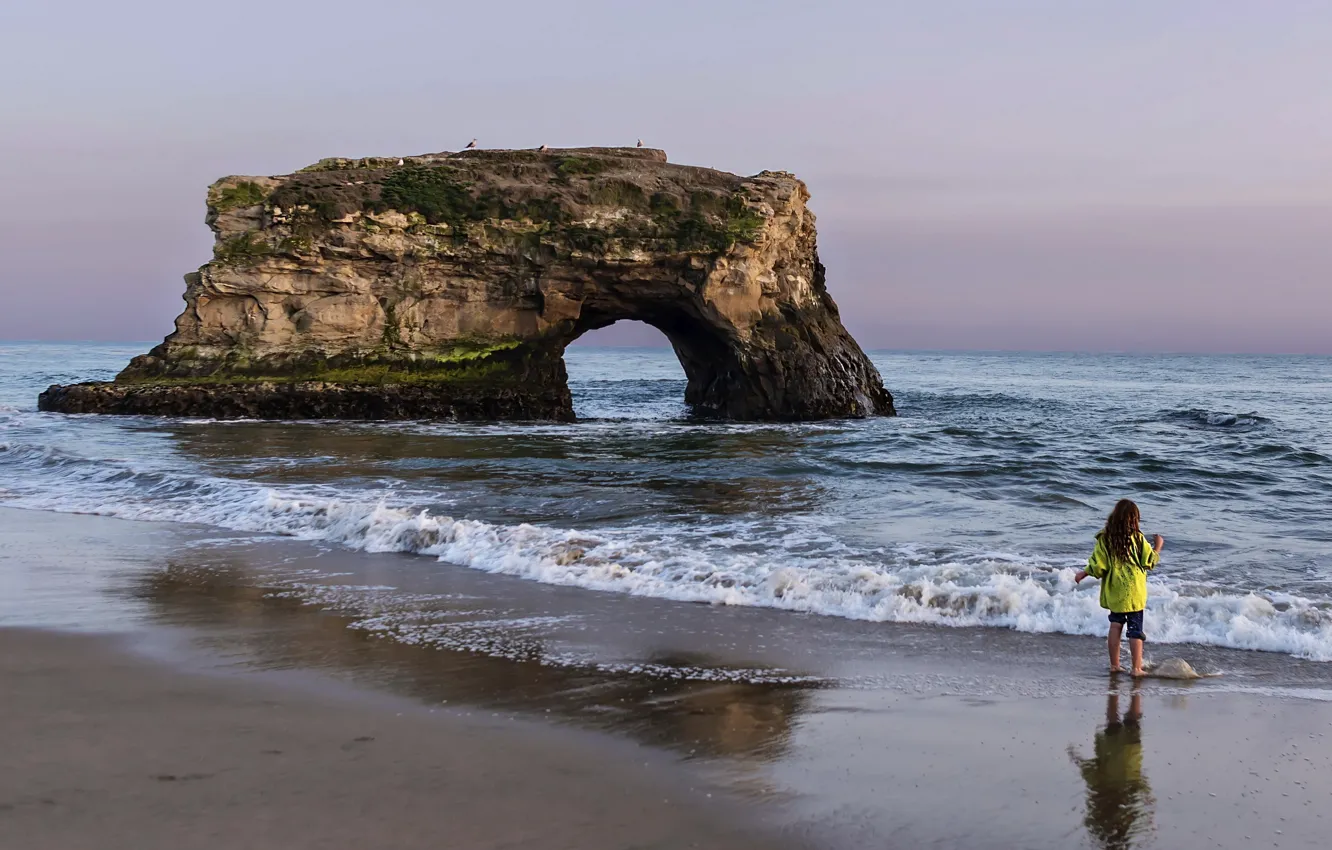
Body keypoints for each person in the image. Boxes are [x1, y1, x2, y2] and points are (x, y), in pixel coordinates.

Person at [1074, 499, 1164, 676]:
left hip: (1115, 591)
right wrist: (1158, 546)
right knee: (1135, 631)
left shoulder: (1105, 539)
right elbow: (1149, 561)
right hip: (1134, 592)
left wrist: (1083, 573)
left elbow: (1098, 565)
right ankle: (1136, 668)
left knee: (1115, 626)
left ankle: (1115, 665)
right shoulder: (1138, 538)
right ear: (1134, 519)